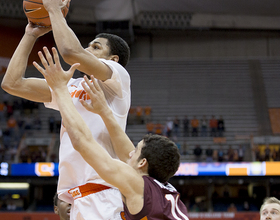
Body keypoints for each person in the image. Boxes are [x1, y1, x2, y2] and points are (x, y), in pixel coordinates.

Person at [1, 0, 131, 218]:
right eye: (88, 45)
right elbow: (12, 84)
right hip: (74, 198)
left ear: (113, 59)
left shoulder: (117, 80)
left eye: (96, 47)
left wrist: (53, 9)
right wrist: (30, 35)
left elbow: (71, 52)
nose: (88, 49)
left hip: (102, 191)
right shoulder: (69, 86)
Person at [34, 47, 189, 220]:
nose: (129, 155)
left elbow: (82, 142)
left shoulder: (137, 184)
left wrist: (61, 89)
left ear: (142, 162)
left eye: (135, 152)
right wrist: (105, 112)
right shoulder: (166, 190)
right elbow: (125, 151)